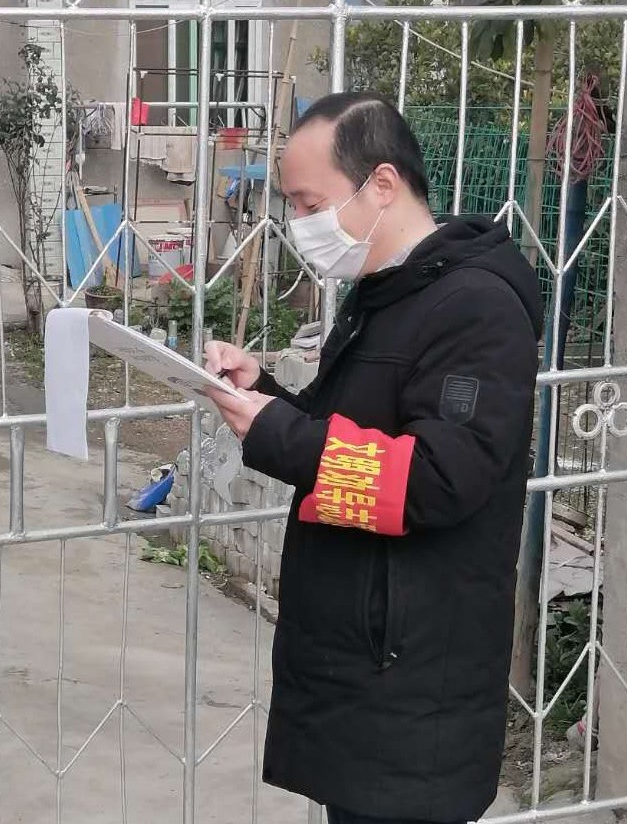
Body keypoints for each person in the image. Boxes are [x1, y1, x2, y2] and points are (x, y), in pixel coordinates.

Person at [206, 93, 543, 824]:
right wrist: (264, 397)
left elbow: (436, 479)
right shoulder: (385, 293)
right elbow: (351, 432)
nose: (300, 223)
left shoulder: (475, 307)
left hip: (414, 670)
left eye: (310, 203)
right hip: (362, 657)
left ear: (381, 183)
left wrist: (278, 433)